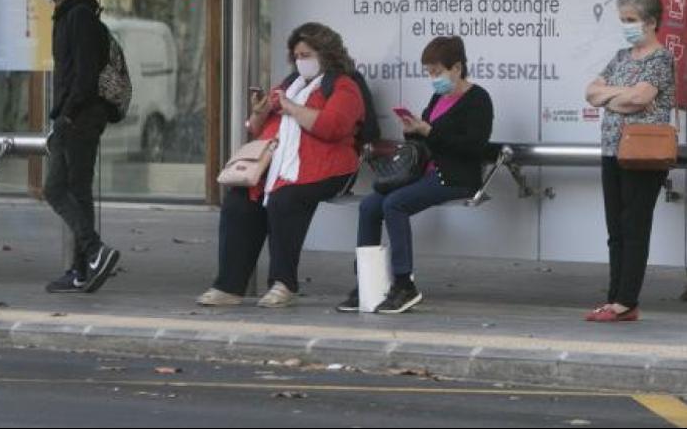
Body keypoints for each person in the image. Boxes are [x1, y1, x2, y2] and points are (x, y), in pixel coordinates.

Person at [198, 22, 366, 308]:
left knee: (284, 201)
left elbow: (332, 127)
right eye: (297, 55)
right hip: (278, 166)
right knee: (239, 201)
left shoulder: (344, 86)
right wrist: (259, 112)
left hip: (328, 166)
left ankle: (284, 283)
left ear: (326, 54)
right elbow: (255, 128)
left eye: (307, 54)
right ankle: (229, 285)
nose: (301, 61)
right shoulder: (290, 85)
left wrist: (290, 108)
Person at [339, 36, 493, 314]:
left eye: (437, 72)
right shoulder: (438, 98)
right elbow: (426, 142)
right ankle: (367, 281)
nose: (433, 79)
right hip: (425, 173)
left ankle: (403, 283)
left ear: (457, 68)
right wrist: (413, 130)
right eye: (429, 72)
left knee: (394, 204)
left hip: (456, 177)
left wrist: (430, 132)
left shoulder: (478, 99)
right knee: (369, 205)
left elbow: (473, 146)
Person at [583, 0, 676, 323]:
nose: (626, 26)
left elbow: (641, 98)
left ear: (651, 22)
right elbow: (591, 93)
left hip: (643, 153)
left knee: (634, 226)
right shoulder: (622, 57)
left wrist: (616, 97)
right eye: (623, 20)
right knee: (615, 229)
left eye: (631, 20)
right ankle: (614, 297)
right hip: (611, 149)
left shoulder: (661, 58)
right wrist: (619, 96)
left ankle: (627, 300)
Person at [42, 0, 120, 294]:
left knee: (59, 189)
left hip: (79, 117)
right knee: (73, 190)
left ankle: (93, 252)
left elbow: (85, 74)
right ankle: (83, 268)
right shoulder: (69, 15)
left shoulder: (80, 17)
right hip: (73, 114)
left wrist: (68, 113)